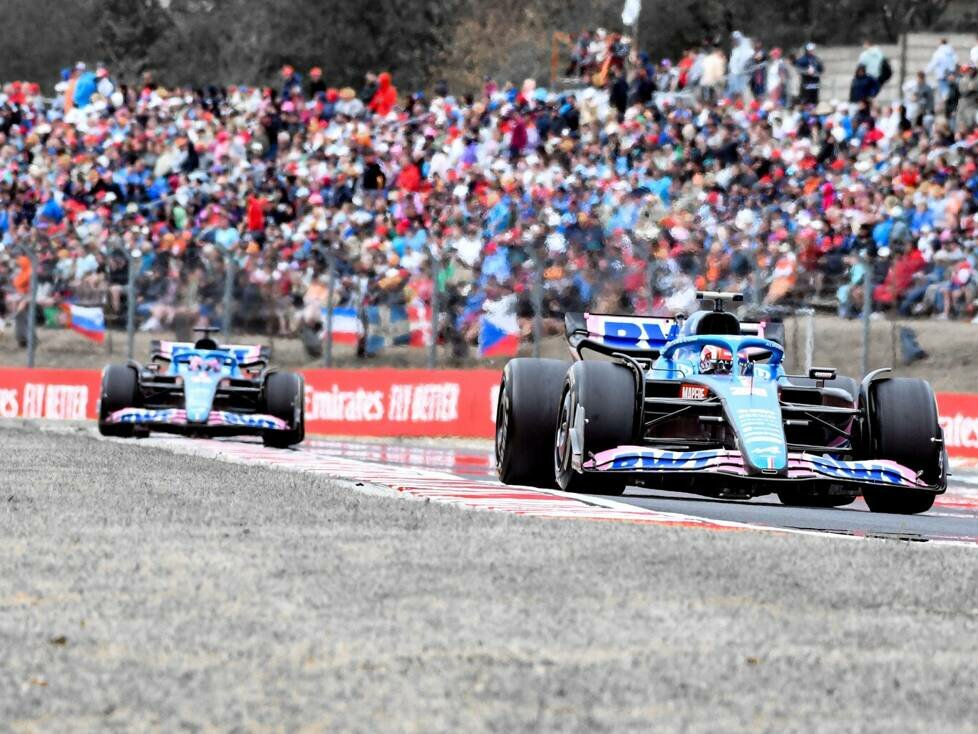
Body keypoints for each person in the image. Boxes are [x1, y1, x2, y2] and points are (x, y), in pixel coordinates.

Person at [727, 30, 753, 98]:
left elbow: (746, 63)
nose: (733, 41)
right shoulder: (735, 50)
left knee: (742, 94)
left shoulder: (746, 49)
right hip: (733, 75)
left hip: (741, 76)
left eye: (735, 39)